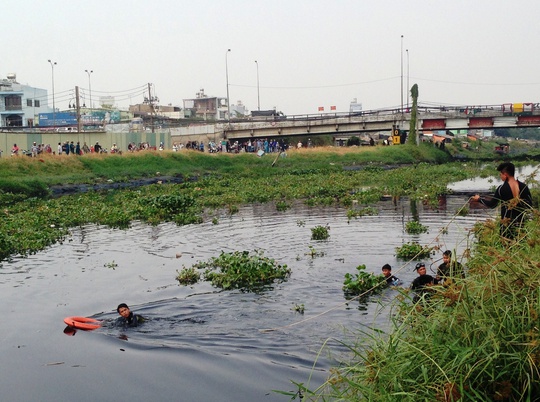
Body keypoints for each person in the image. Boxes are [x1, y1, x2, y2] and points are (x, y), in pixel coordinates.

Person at [472, 162, 533, 239]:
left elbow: (492, 204)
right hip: (521, 224)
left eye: (500, 174)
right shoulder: (524, 187)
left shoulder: (502, 188)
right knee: (520, 246)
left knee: (506, 246)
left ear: (505, 174)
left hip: (506, 224)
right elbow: (529, 205)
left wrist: (479, 199)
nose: (500, 176)